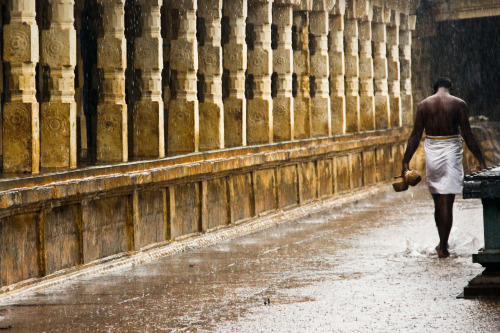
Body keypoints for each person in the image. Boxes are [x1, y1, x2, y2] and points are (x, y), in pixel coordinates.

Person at [402, 77, 487, 258]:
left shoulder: (424, 105)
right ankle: (443, 246)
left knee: (437, 201)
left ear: (434, 89)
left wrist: (405, 161)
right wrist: (481, 160)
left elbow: (415, 135)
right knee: (447, 201)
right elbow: (468, 134)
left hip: (432, 151)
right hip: (452, 151)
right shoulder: (458, 104)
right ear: (451, 88)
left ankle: (442, 244)